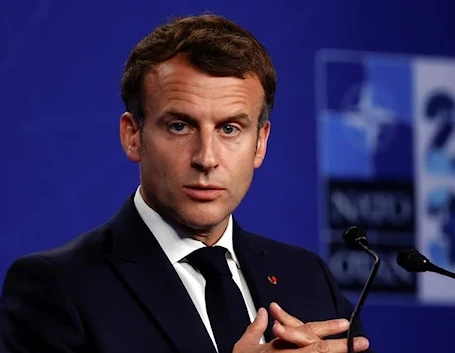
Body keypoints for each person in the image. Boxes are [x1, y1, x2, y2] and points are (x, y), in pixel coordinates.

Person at [0, 13, 374, 353]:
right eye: (180, 126)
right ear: (133, 136)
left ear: (260, 143)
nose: (206, 157)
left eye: (230, 128)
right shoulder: (58, 287)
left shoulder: (307, 277)